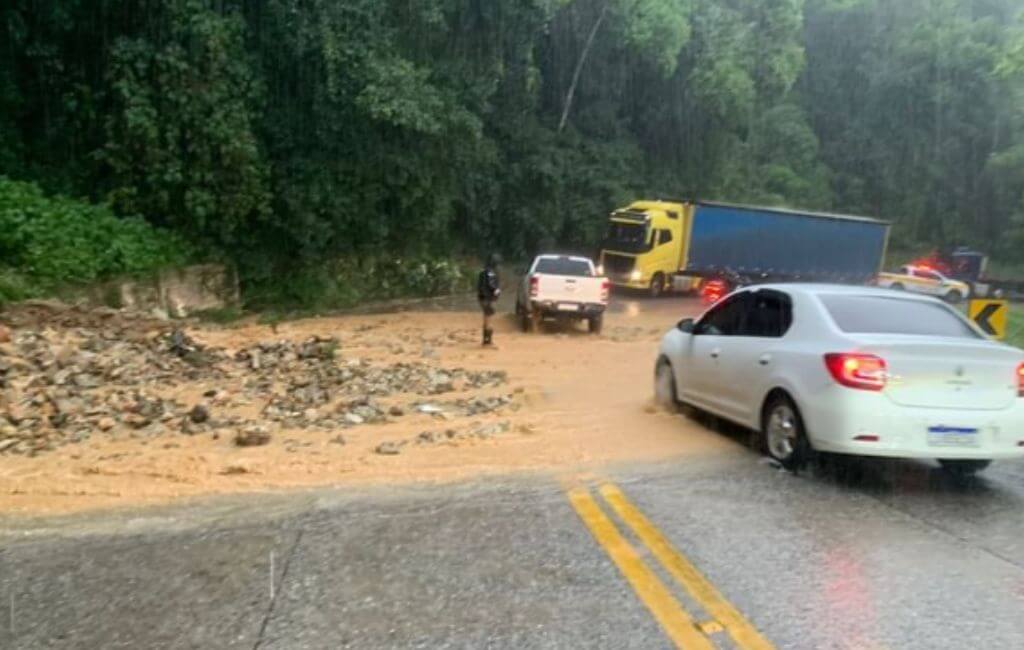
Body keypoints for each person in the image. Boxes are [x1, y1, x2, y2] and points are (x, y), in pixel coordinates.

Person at [477, 254, 501, 346]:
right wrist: (496, 290)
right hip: (488, 298)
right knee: (488, 319)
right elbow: (491, 285)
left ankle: (485, 340)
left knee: (486, 318)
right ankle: (487, 341)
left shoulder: (482, 271)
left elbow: (479, 285)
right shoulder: (490, 273)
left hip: (482, 298)